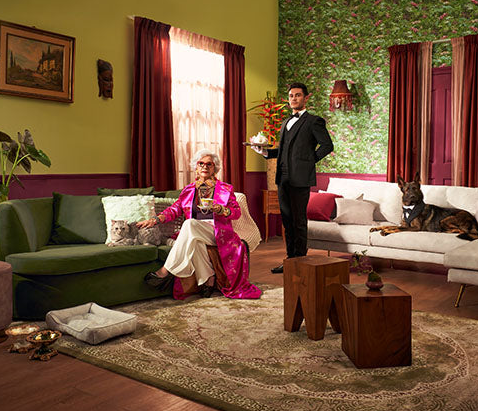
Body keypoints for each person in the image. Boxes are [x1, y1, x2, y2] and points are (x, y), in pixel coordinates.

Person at [139, 149, 261, 299]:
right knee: (194, 239)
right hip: (196, 231)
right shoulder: (188, 190)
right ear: (196, 167)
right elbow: (174, 209)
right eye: (201, 163)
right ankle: (209, 280)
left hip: (218, 233)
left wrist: (221, 209)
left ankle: (166, 270)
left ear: (215, 168)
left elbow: (236, 213)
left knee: (190, 224)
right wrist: (155, 220)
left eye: (209, 164)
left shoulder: (225, 189)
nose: (204, 166)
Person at [252, 82, 333, 273]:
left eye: (298, 95)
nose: (294, 98)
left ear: (306, 98)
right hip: (283, 178)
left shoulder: (314, 121)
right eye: (291, 96)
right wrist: (265, 152)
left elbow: (327, 145)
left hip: (301, 178)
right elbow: (283, 150)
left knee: (299, 221)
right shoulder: (285, 122)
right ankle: (290, 260)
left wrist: (308, 161)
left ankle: (300, 262)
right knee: (287, 221)